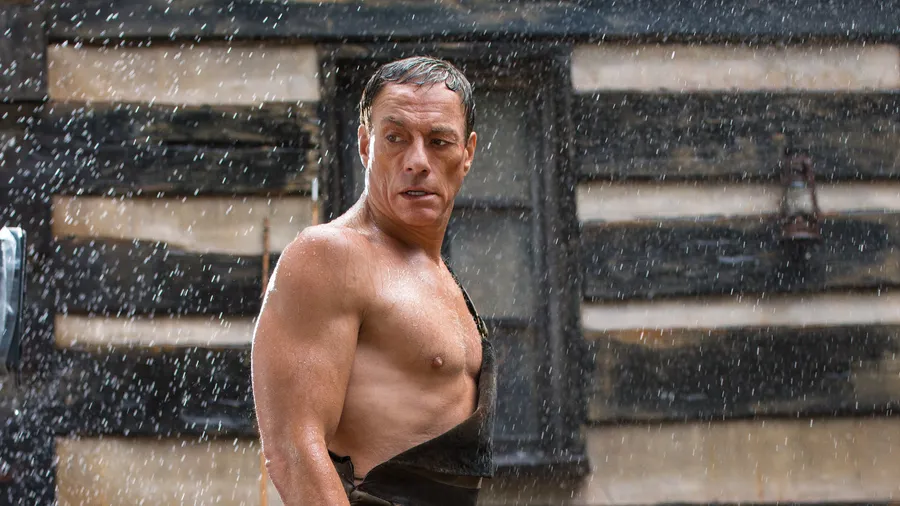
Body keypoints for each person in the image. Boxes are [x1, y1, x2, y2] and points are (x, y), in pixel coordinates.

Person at [251, 56, 495, 506]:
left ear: (467, 153)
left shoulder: (439, 275)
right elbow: (292, 451)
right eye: (395, 138)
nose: (417, 161)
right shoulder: (329, 255)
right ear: (366, 145)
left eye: (439, 141)